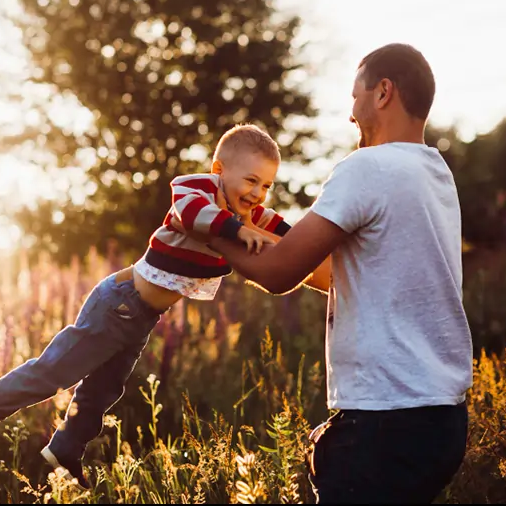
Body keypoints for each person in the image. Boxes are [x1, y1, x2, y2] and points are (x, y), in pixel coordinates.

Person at [0, 124, 332, 488]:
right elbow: (191, 213)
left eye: (266, 185)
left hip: (142, 316)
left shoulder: (247, 212)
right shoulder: (198, 189)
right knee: (56, 372)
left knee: (103, 389)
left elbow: (288, 231)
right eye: (250, 180)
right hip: (119, 301)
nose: (257, 193)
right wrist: (237, 230)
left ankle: (67, 446)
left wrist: (319, 242)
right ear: (219, 170)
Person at [201, 43, 472, 503]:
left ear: (383, 92)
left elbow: (278, 274)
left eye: (354, 96)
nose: (351, 114)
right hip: (440, 423)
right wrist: (254, 232)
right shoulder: (433, 173)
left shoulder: (368, 167)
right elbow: (332, 275)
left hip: (384, 423)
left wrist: (203, 228)